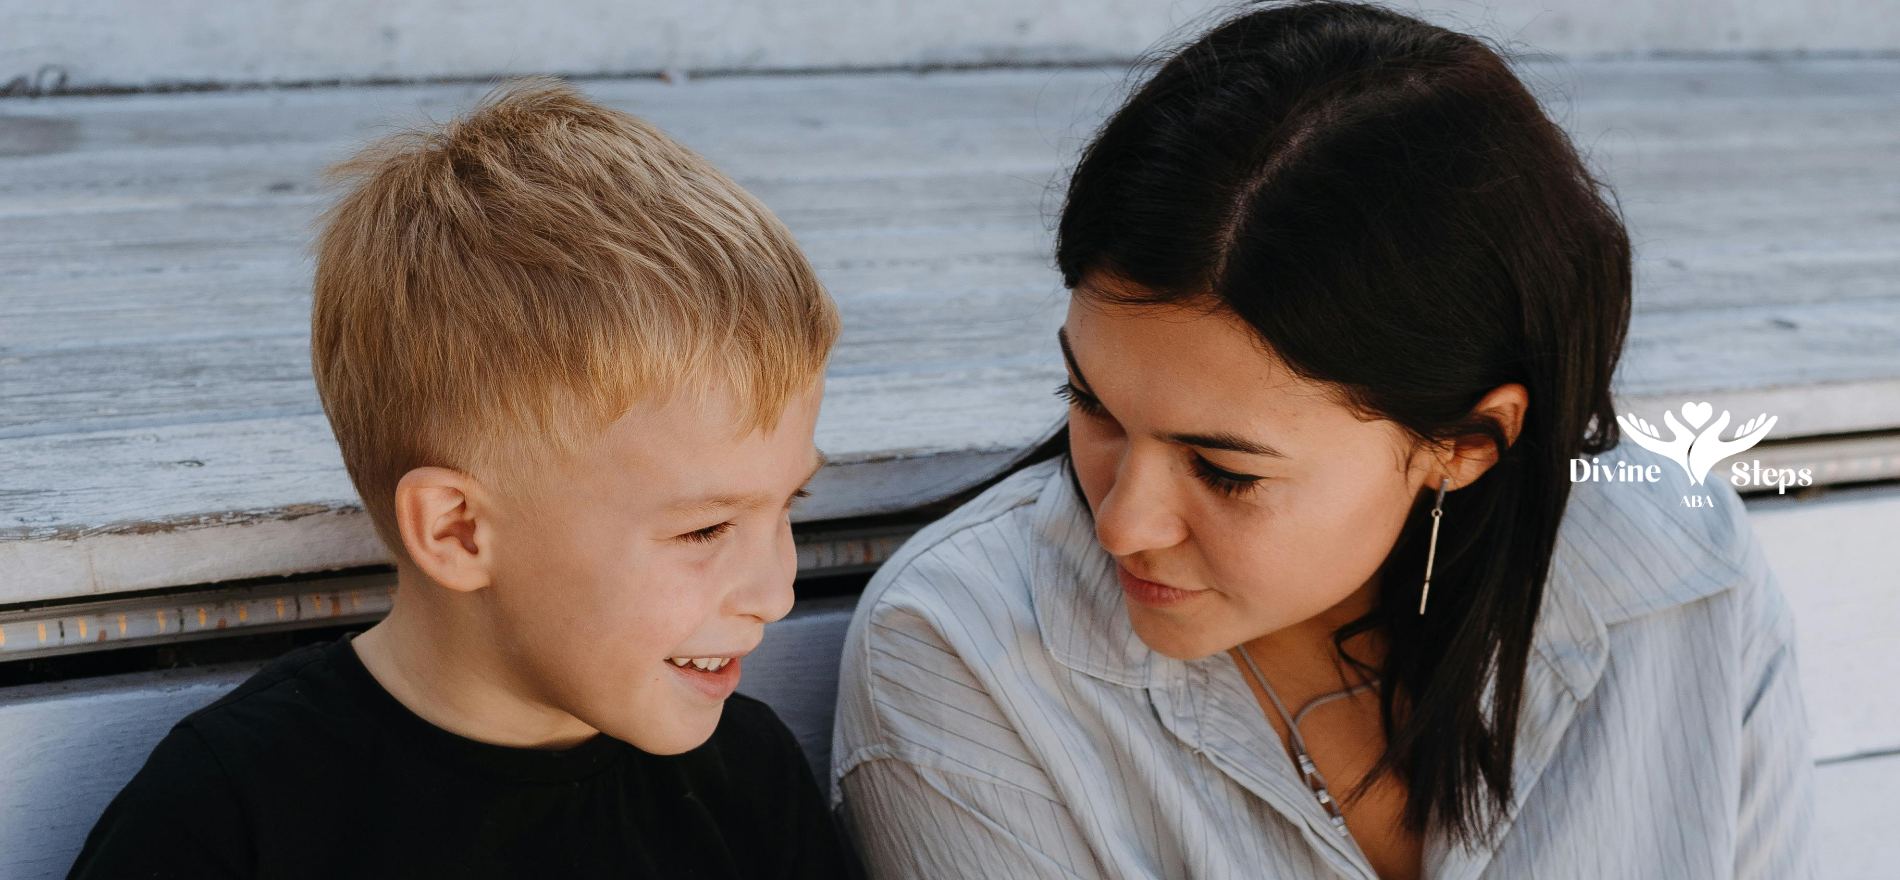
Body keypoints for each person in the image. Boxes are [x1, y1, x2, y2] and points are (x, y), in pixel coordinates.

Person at [831, 3, 1816, 879]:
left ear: (1467, 442)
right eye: (1089, 402)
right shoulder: (966, 659)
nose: (1121, 520)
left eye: (1223, 468)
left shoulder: (1672, 572)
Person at [70, 78, 853, 879]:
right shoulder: (230, 817)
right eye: (706, 528)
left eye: (791, 501)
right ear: (457, 530)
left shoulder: (748, 778)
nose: (776, 591)